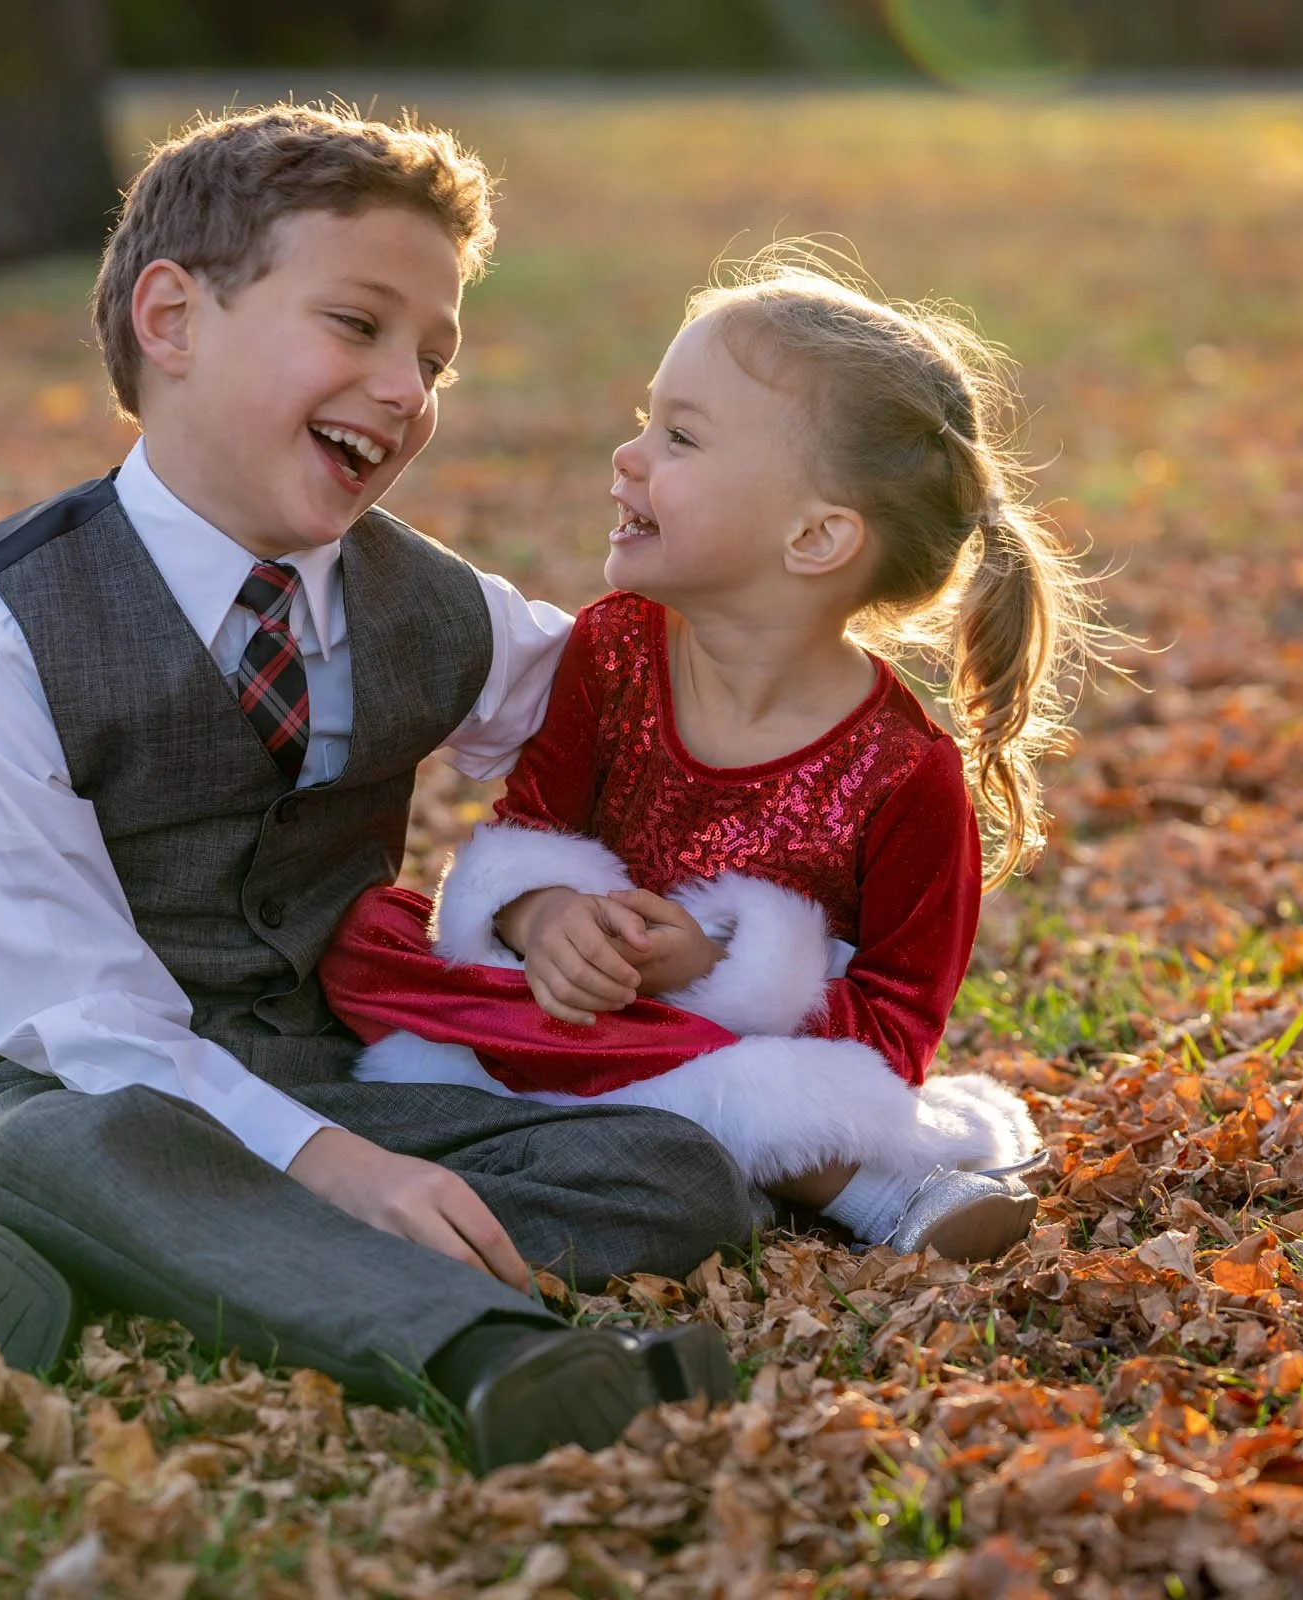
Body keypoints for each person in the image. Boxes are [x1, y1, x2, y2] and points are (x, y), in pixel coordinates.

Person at [0, 105, 760, 1472]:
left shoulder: (432, 605)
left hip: (342, 1069)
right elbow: (77, 1013)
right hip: (72, 1091)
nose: (407, 389)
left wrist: (550, 908)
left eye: (435, 356)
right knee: (73, 1152)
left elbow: (630, 734)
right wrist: (339, 1172)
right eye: (359, 325)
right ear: (172, 319)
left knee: (677, 1174)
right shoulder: (4, 627)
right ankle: (496, 1360)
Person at [324, 251, 1104, 1263]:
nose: (627, 455)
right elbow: (529, 831)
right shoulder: (614, 650)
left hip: (726, 1050)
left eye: (679, 436)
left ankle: (870, 1190)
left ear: (815, 538)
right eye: (646, 419)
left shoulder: (905, 776)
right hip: (559, 1007)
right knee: (364, 932)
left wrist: (713, 970)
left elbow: (893, 1033)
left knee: (721, 1076)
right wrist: (546, 913)